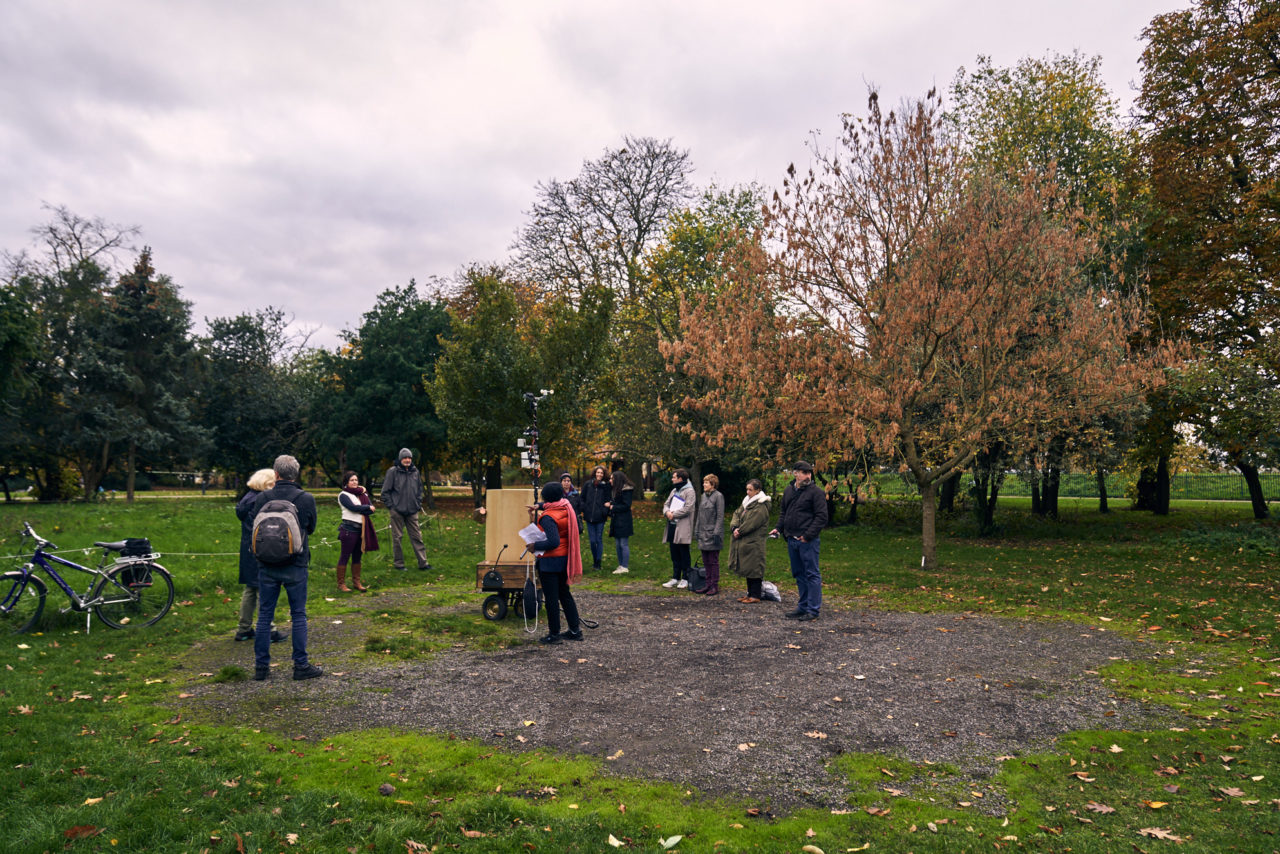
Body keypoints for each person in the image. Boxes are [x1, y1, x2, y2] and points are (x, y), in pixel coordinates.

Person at [252, 454, 322, 681]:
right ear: (296, 474)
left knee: (264, 615)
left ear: (276, 474)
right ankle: (300, 666)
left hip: (266, 564)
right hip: (296, 563)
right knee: (298, 614)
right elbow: (310, 527)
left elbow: (253, 522)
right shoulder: (305, 498)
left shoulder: (263, 497)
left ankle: (261, 668)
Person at [771, 460, 829, 621]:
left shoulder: (816, 492)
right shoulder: (789, 491)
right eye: (804, 472)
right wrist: (778, 528)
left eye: (809, 473)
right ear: (795, 473)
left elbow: (821, 517)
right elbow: (784, 512)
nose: (807, 476)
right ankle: (803, 606)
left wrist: (808, 535)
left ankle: (813, 609)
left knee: (812, 574)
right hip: (791, 539)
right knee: (799, 574)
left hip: (807, 541)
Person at [526, 481, 583, 645]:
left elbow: (553, 542)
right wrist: (539, 505)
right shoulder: (566, 506)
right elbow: (551, 504)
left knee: (551, 598)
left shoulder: (548, 518)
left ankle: (554, 634)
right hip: (565, 558)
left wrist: (534, 546)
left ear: (546, 497)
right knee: (565, 594)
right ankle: (575, 630)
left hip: (551, 562)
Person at [233, 468, 285, 644]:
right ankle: (269, 629)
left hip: (247, 549)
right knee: (265, 588)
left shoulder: (247, 498)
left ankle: (244, 628)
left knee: (250, 589)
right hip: (261, 548)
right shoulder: (261, 500)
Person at [380, 448, 432, 572]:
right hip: (397, 511)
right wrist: (392, 507)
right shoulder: (393, 472)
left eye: (409, 458)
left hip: (412, 511)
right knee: (397, 538)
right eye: (405, 458)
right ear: (400, 459)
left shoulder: (415, 472)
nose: (407, 460)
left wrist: (418, 503)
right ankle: (399, 565)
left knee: (417, 537)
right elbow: (385, 492)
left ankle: (423, 563)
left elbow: (420, 490)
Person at [728, 478, 771, 602]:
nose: (748, 492)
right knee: (748, 568)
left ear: (757, 491)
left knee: (755, 568)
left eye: (750, 490)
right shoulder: (747, 502)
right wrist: (734, 527)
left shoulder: (761, 506)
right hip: (745, 541)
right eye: (747, 489)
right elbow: (736, 513)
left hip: (755, 542)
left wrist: (739, 531)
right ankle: (749, 593)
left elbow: (751, 523)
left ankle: (755, 595)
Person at [336, 470, 378, 592]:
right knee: (345, 556)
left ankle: (357, 582)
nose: (354, 482)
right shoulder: (343, 495)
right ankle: (341, 584)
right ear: (346, 482)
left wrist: (367, 508)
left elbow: (371, 510)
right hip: (349, 530)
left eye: (356, 480)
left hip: (361, 530)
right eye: (351, 480)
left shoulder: (362, 494)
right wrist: (366, 507)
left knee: (357, 557)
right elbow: (353, 508)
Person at [661, 467, 696, 589]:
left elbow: (688, 508)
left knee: (683, 553)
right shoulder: (674, 490)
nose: (672, 479)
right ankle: (675, 577)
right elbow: (666, 504)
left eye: (674, 477)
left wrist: (673, 514)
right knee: (674, 553)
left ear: (680, 478)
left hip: (682, 526)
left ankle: (685, 578)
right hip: (672, 526)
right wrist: (667, 512)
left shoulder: (690, 491)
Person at [695, 473, 725, 596]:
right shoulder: (703, 496)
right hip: (702, 532)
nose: (704, 484)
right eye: (704, 482)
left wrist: (716, 532)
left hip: (713, 533)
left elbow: (720, 515)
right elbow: (699, 514)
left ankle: (714, 585)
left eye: (706, 483)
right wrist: (696, 530)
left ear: (712, 484)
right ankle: (707, 584)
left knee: (713, 561)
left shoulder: (718, 496)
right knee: (705, 560)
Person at [579, 465, 611, 571]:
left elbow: (608, 500)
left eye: (601, 473)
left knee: (599, 539)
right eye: (598, 472)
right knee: (592, 541)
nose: (599, 474)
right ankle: (594, 560)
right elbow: (582, 498)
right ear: (594, 473)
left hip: (600, 517)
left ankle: (598, 562)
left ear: (604, 474)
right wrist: (584, 509)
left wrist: (604, 512)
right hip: (589, 517)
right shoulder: (588, 485)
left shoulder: (606, 486)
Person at [605, 469, 635, 574]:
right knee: (618, 544)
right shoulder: (615, 489)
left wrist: (613, 507)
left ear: (617, 479)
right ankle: (621, 565)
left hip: (624, 520)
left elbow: (626, 505)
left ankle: (625, 566)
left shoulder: (626, 490)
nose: (610, 480)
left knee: (623, 543)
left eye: (612, 478)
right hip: (617, 519)